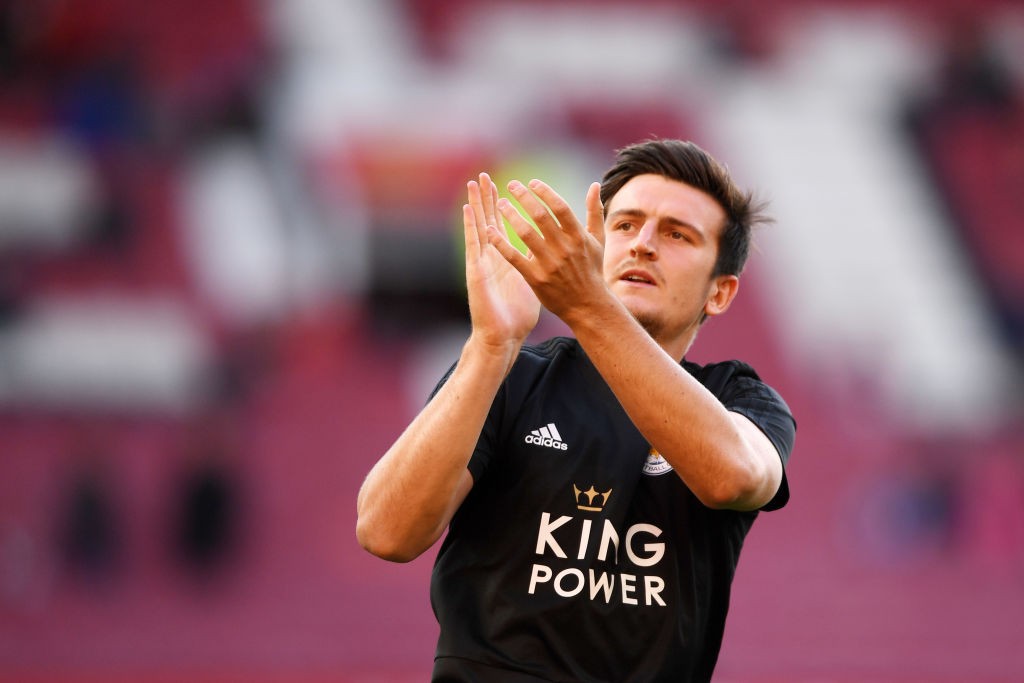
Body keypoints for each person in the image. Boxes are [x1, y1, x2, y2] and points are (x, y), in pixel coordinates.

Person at [356, 139, 796, 682]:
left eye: (677, 234)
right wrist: (491, 345)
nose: (643, 245)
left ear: (720, 293)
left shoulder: (740, 399)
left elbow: (732, 477)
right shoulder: (509, 374)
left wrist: (589, 306)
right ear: (598, 244)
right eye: (626, 225)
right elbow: (385, 532)